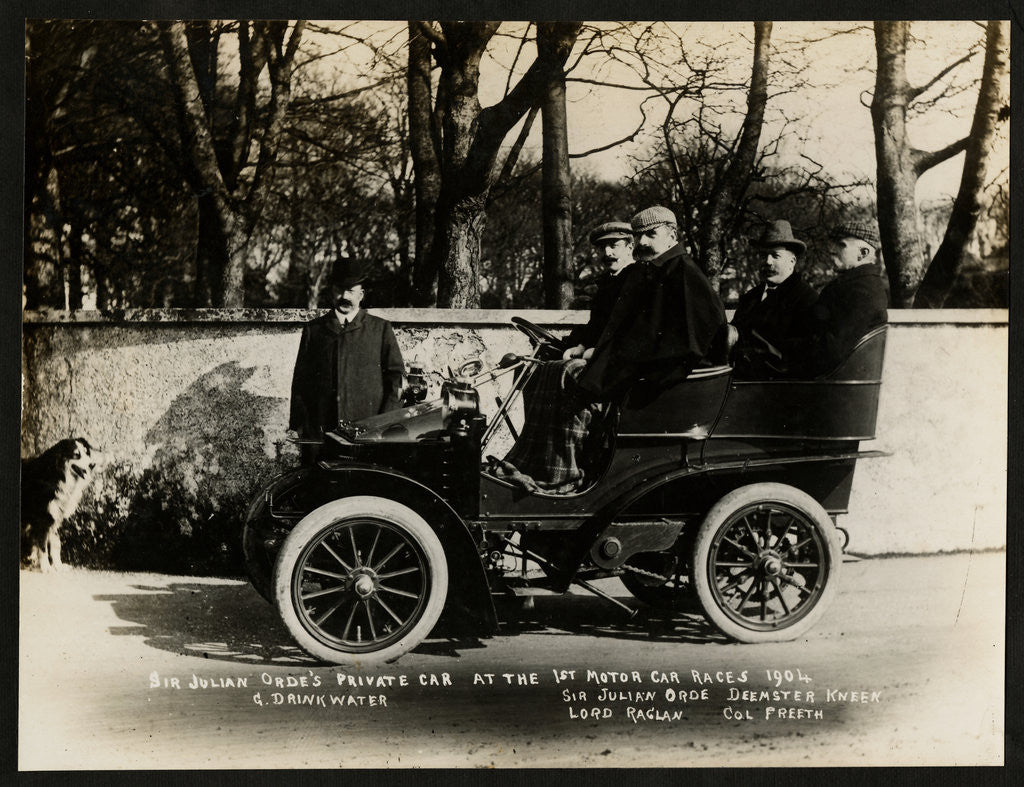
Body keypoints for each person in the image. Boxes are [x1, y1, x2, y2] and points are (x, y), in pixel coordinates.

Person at [577, 205, 726, 400]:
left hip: (670, 375)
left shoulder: (685, 274)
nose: (642, 242)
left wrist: (617, 359)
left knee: (577, 384)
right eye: (638, 236)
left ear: (672, 235)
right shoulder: (654, 271)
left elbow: (688, 343)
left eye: (651, 234)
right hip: (643, 365)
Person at [289, 258, 405, 463]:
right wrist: (303, 427)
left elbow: (396, 380)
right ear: (331, 292)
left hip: (368, 439)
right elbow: (300, 383)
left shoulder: (380, 330)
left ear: (361, 294)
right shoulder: (314, 330)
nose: (344, 297)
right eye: (339, 290)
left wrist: (384, 424)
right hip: (322, 439)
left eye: (351, 291)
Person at [786, 220, 889, 377]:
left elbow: (832, 350)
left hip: (833, 386)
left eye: (841, 245)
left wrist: (786, 349)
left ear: (863, 253)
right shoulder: (853, 285)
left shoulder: (863, 291)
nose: (832, 250)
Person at [731, 219, 817, 378]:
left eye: (775, 256)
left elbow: (802, 355)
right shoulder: (750, 298)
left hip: (777, 389)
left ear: (792, 261)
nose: (768, 262)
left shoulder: (807, 298)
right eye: (763, 255)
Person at [561, 221, 636, 361]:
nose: (607, 253)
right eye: (602, 247)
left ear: (630, 247)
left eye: (614, 245)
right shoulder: (606, 282)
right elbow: (597, 323)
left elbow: (631, 327)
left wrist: (599, 350)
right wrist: (582, 346)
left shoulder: (639, 278)